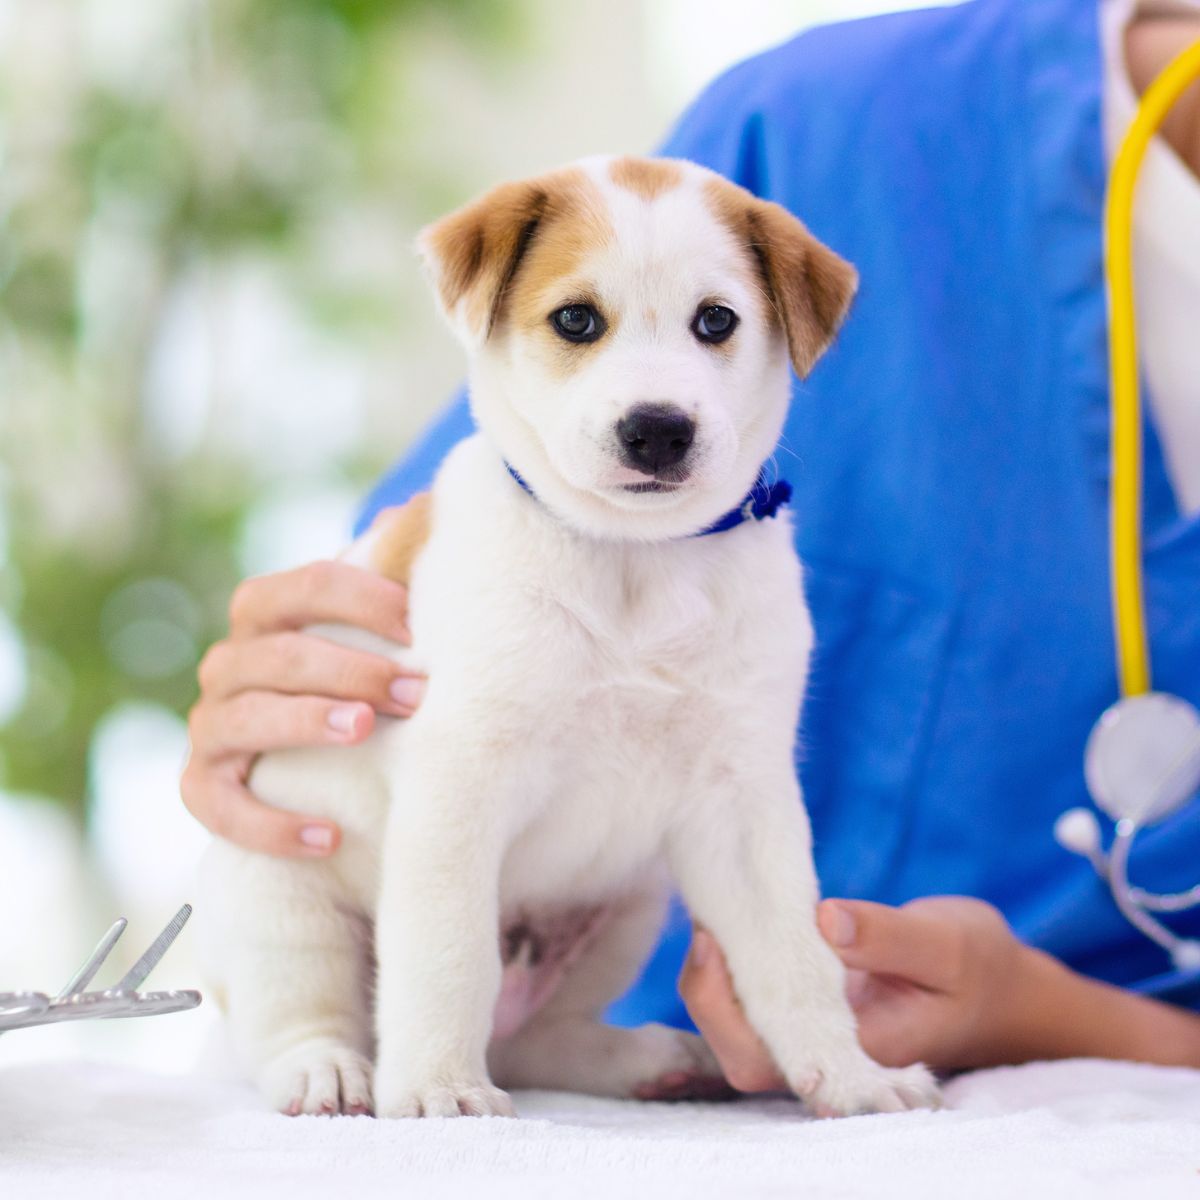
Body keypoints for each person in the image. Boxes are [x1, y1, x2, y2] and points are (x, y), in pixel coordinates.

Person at [181, 0, 1200, 1085]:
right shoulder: (825, 123)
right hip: (383, 937)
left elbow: (744, 800)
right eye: (581, 323)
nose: (656, 393)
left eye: (716, 327)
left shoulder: (756, 518)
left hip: (719, 1031)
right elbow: (376, 626)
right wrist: (289, 677)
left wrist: (1026, 1025)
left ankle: (555, 1038)